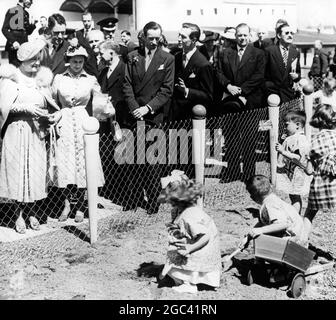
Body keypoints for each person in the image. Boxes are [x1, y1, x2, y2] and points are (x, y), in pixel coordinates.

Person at [0, 39, 60, 233]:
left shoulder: (41, 81)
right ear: (22, 60)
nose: (36, 63)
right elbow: (3, 106)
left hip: (36, 132)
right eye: (32, 60)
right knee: (18, 172)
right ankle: (17, 215)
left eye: (38, 59)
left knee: (34, 171)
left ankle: (32, 211)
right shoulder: (11, 79)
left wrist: (53, 116)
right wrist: (25, 108)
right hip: (17, 130)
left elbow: (51, 104)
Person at [51, 44, 110, 223]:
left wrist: (108, 110)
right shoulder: (59, 79)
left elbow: (100, 101)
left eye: (80, 61)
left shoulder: (90, 79)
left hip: (83, 121)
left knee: (84, 163)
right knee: (65, 162)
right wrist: (55, 117)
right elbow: (53, 101)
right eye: (74, 61)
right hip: (64, 121)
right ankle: (67, 204)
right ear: (68, 62)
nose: (77, 64)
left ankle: (81, 207)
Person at [123, 21, 175, 214]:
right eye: (150, 38)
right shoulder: (132, 57)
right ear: (143, 36)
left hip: (153, 116)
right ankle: (132, 199)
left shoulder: (167, 59)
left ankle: (153, 201)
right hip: (134, 115)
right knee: (132, 160)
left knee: (152, 161)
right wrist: (135, 108)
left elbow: (166, 90)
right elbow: (127, 85)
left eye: (157, 38)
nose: (154, 42)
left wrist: (147, 108)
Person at [215, 23, 266, 182]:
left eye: (245, 35)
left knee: (249, 139)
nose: (242, 38)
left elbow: (259, 76)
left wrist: (242, 91)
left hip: (250, 101)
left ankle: (250, 174)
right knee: (230, 139)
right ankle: (232, 172)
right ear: (235, 36)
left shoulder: (258, 54)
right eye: (239, 35)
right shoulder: (226, 53)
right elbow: (218, 72)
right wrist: (229, 86)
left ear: (249, 36)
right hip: (231, 101)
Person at [158, 172, 221, 294]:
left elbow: (205, 236)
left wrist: (190, 248)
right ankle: (185, 279)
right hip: (199, 246)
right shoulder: (183, 210)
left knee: (172, 268)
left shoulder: (189, 216)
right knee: (171, 263)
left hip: (202, 249)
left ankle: (189, 284)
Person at [300, 104, 336, 246]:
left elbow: (309, 170)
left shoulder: (315, 141)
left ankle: (301, 243)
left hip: (321, 184)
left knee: (309, 213)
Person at [172, 22, 213, 121]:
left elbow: (208, 96)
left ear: (194, 40)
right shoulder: (176, 57)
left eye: (183, 37)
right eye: (179, 35)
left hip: (191, 117)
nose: (179, 39)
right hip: (174, 114)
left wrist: (187, 91)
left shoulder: (203, 64)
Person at [245, 175, 304, 242]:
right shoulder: (273, 199)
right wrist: (249, 236)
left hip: (293, 238)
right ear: (271, 187)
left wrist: (260, 230)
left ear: (253, 198)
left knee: (265, 241)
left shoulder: (270, 204)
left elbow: (283, 224)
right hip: (298, 233)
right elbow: (262, 223)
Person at [275, 111, 313, 215]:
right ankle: (295, 217)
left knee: (295, 197)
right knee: (293, 196)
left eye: (287, 125)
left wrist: (283, 152)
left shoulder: (300, 139)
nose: (284, 127)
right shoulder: (292, 138)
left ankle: (294, 218)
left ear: (297, 125)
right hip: (292, 173)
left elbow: (299, 157)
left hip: (298, 174)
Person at [47, 13, 98, 78]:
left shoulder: (70, 48)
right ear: (49, 30)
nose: (60, 36)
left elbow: (91, 69)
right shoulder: (41, 47)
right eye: (56, 33)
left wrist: (79, 47)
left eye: (63, 33)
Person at [265, 23, 301, 104]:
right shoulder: (269, 51)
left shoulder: (295, 52)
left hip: (289, 95)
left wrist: (297, 77)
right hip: (272, 95)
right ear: (279, 35)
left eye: (291, 33)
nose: (290, 35)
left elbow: (298, 73)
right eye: (287, 33)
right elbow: (262, 74)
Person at [2, 0, 37, 67]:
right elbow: (4, 29)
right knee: (15, 69)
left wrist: (32, 25)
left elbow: (28, 32)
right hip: (14, 46)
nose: (32, 3)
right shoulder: (12, 10)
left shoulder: (26, 13)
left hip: (24, 45)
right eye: (30, 0)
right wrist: (13, 41)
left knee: (24, 69)